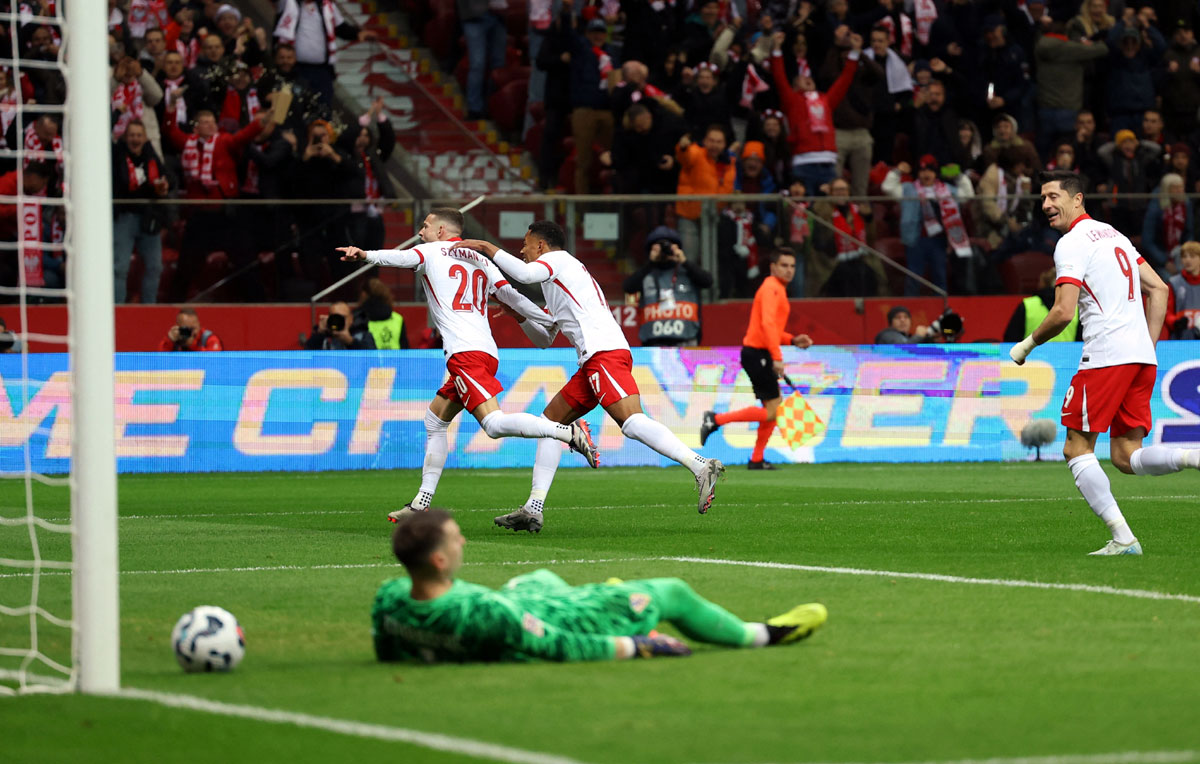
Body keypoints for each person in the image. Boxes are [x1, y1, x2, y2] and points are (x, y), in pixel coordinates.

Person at [453, 221, 726, 531]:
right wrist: (519, 317)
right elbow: (545, 338)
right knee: (550, 424)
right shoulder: (558, 278)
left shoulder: (557, 260)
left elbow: (524, 274)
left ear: (541, 246)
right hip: (593, 359)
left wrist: (487, 248)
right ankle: (533, 507)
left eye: (526, 244)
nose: (522, 250)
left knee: (632, 423)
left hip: (603, 353)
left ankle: (700, 465)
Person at [338, 209, 599, 521]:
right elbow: (513, 297)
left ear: (442, 230)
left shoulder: (431, 251)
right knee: (435, 421)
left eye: (425, 226)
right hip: (485, 351)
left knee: (493, 425)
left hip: (464, 355)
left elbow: (400, 259)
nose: (421, 232)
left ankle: (566, 431)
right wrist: (549, 320)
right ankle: (420, 504)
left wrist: (365, 254)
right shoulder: (483, 260)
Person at [1009, 170, 1200, 555]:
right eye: (1042, 198)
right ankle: (1192, 455)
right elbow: (1159, 288)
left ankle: (1123, 537)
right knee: (1125, 456)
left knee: (1076, 448)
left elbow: (1063, 312)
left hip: (1106, 357)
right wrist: (1146, 345)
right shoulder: (1114, 235)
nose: (1045, 204)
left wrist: (1026, 345)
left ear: (1077, 199)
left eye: (1052, 196)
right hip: (1139, 358)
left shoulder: (1071, 243)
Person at [372, 509, 828, 663]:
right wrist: (636, 647)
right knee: (670, 590)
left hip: (519, 600)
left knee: (538, 577)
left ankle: (617, 594)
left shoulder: (390, 601)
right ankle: (761, 635)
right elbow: (562, 646)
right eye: (455, 539)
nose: (463, 541)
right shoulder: (483, 616)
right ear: (438, 559)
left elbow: (389, 648)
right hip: (559, 619)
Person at [699, 248, 814, 470]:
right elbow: (767, 326)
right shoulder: (772, 288)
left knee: (773, 407)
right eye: (784, 265)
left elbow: (771, 329)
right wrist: (777, 357)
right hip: (757, 353)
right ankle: (715, 419)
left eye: (792, 266)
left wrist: (792, 340)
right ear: (773, 267)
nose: (789, 270)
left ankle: (756, 459)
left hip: (758, 352)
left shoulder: (776, 289)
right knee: (773, 410)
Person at [769, 29, 861, 194]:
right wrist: (776, 49)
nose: (808, 78)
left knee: (828, 212)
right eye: (803, 78)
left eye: (809, 77)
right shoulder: (792, 100)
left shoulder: (826, 100)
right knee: (806, 212)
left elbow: (844, 80)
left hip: (829, 162)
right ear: (795, 86)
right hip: (804, 164)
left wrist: (854, 53)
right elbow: (779, 77)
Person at [621, 226, 713, 347]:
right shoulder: (646, 274)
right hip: (652, 344)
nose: (664, 250)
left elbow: (708, 281)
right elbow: (628, 287)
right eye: (658, 246)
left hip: (687, 342)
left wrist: (684, 261)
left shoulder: (687, 271)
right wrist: (650, 263)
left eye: (669, 246)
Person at [112, 119, 169, 304]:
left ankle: (148, 308)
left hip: (148, 218)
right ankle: (117, 309)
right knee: (120, 268)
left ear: (145, 138)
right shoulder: (117, 154)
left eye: (139, 135)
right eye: (131, 135)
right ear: (125, 138)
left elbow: (168, 177)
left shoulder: (150, 154)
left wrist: (165, 185)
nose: (135, 139)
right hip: (124, 217)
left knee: (155, 266)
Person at [1002, 268, 1080, 343]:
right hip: (1068, 356)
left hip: (1031, 356)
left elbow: (1010, 340)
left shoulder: (1027, 305)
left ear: (1042, 283)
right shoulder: (1074, 308)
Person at [304, 300, 376, 350]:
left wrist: (350, 342)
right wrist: (319, 334)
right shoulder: (324, 337)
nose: (339, 321)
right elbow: (308, 359)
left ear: (351, 319)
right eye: (335, 317)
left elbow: (372, 359)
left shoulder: (363, 335)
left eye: (342, 317)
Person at [1165, 240, 1200, 339]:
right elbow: (1167, 312)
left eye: (1192, 256)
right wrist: (1175, 322)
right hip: (1180, 339)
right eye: (1184, 256)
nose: (1187, 260)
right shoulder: (1174, 283)